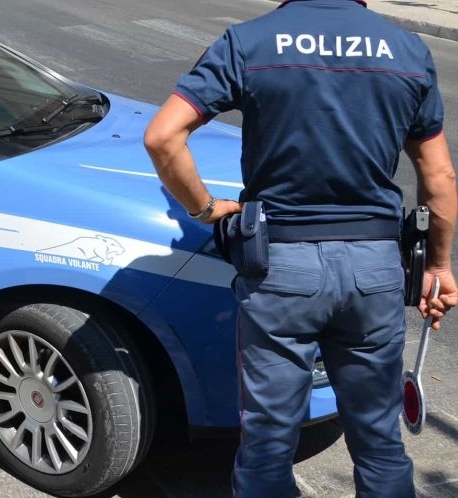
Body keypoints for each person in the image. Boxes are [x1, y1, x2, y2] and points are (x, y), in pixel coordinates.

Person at [143, 1, 457, 497]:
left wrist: (205, 210)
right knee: (380, 443)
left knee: (267, 447)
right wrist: (438, 265)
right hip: (374, 269)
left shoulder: (249, 42)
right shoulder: (405, 50)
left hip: (282, 269)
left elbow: (162, 137)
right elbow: (438, 176)